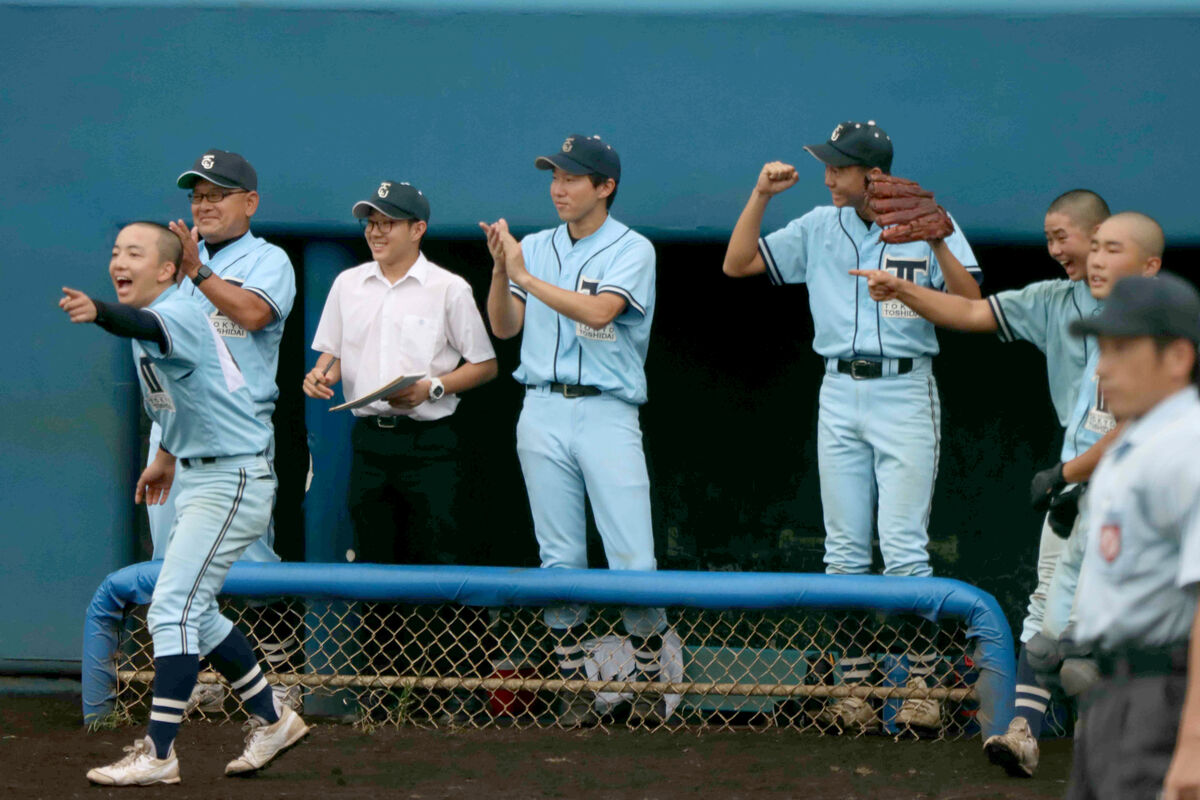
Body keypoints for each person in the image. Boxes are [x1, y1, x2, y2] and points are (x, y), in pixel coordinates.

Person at [721, 121, 981, 732]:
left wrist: (939, 241)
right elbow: (737, 265)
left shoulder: (926, 221)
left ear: (875, 175)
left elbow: (973, 304)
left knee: (904, 550)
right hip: (839, 387)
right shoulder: (819, 223)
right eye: (829, 165)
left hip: (905, 387)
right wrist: (760, 196)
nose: (828, 175)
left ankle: (921, 686)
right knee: (842, 552)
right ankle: (855, 687)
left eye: (840, 166)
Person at [847, 189, 1110, 772]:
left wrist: (1068, 471)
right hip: (1074, 485)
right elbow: (970, 312)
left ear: (1104, 238)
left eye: (1061, 235)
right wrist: (903, 289)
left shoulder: (1157, 319)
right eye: (1046, 237)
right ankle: (1024, 732)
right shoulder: (1053, 300)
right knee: (1046, 609)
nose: (1053, 248)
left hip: (1133, 489)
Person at [60, 222, 308, 786]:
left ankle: (159, 753)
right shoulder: (161, 316)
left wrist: (99, 310)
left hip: (233, 476)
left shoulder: (175, 312)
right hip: (202, 472)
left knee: (170, 606)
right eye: (116, 250)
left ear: (169, 269)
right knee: (194, 611)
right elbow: (188, 395)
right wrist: (166, 455)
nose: (120, 261)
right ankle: (274, 721)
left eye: (136, 253)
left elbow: (142, 322)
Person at [482, 134, 667, 726]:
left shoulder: (633, 248)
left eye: (572, 178)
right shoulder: (533, 245)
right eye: (553, 177)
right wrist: (499, 271)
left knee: (631, 556)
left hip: (607, 411)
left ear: (605, 186)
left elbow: (600, 312)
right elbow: (505, 327)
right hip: (541, 404)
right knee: (559, 557)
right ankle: (575, 684)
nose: (558, 188)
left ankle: (646, 683)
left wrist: (525, 276)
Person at [305, 181, 497, 722]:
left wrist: (432, 387)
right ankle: (386, 694)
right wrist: (320, 376)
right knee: (375, 565)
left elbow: (483, 365)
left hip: (432, 443)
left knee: (442, 562)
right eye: (370, 220)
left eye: (389, 221)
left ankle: (460, 693)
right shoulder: (347, 284)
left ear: (418, 229)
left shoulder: (449, 288)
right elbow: (332, 357)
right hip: (369, 441)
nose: (376, 230)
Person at [168, 150, 302, 712]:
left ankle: (283, 673)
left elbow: (252, 314)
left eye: (217, 194)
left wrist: (196, 270)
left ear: (249, 202)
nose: (204, 203)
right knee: (172, 558)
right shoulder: (169, 262)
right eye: (197, 194)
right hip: (175, 432)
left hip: (238, 428)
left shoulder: (268, 259)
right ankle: (196, 676)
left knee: (250, 561)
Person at [1061, 270, 1200, 800]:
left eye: (1121, 349)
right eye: (1102, 348)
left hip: (1166, 694)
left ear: (1177, 358)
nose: (1103, 367)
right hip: (1112, 693)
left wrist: (1193, 743)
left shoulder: (1189, 445)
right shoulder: (1133, 442)